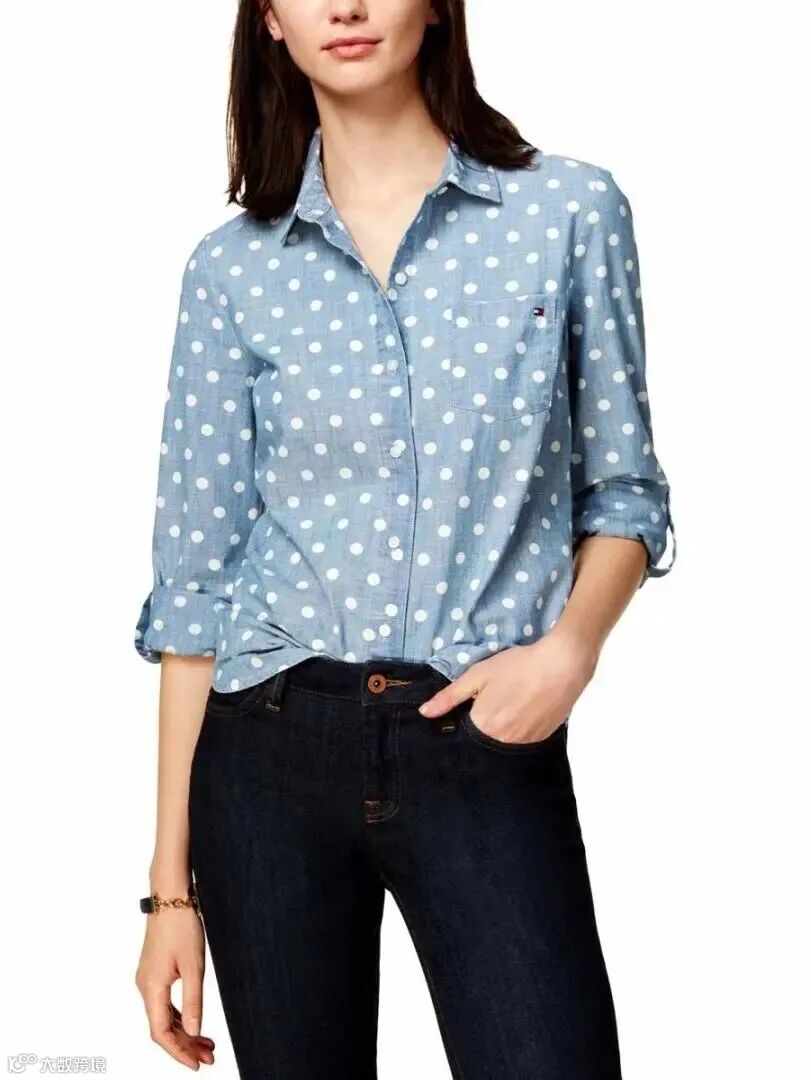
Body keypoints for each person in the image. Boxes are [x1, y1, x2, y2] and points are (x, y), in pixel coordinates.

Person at [133, 1, 676, 1077]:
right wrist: (168, 894)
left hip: (480, 742)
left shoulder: (566, 211)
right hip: (265, 756)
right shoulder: (232, 269)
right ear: (269, 21)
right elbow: (196, 591)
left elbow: (622, 491)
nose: (345, 6)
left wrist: (568, 653)